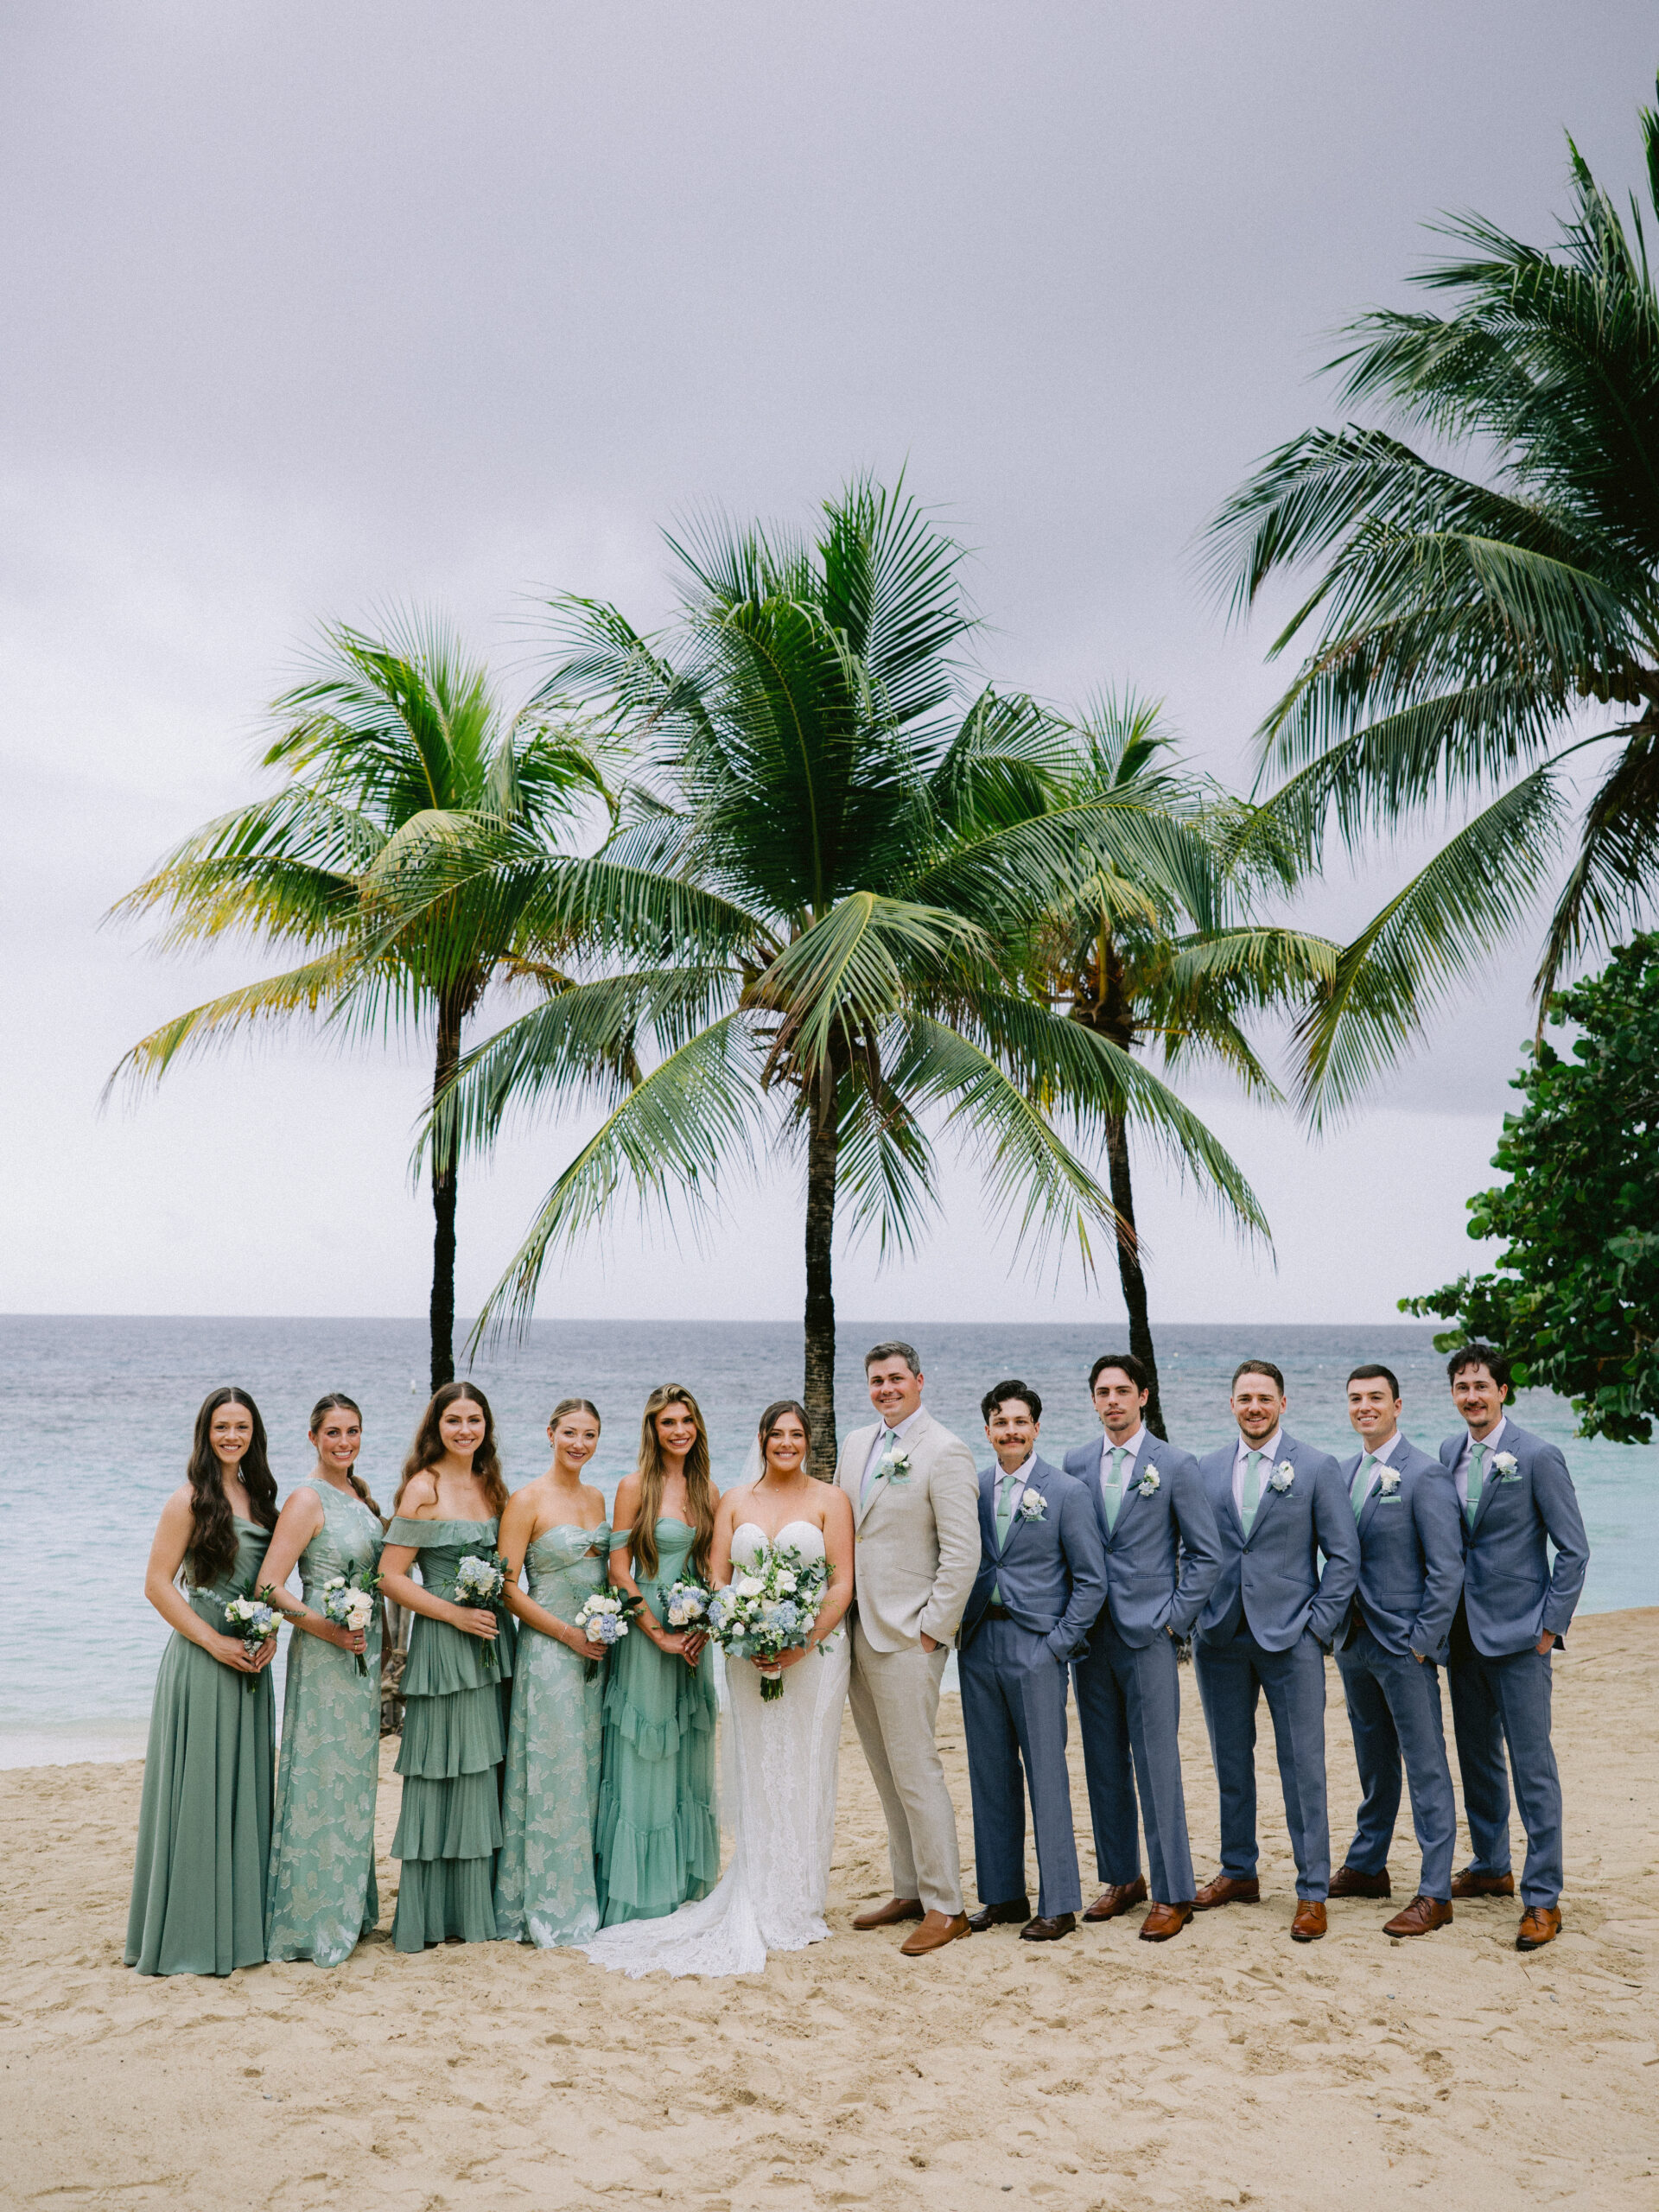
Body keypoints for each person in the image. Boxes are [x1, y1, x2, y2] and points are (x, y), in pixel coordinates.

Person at [582, 1398, 855, 1977]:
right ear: (760, 1438)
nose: (786, 1443)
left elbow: (840, 1582)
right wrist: (740, 1627)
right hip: (745, 1653)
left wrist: (801, 1642)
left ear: (809, 1440)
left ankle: (800, 1898)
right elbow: (717, 1577)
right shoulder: (732, 1499)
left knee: (806, 1768)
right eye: (776, 1434)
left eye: (796, 1434)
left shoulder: (831, 1500)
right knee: (756, 1769)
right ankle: (756, 1889)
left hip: (813, 1654)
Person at [1191, 1359, 1359, 1942]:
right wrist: (1189, 1618)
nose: (1254, 1407)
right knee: (1230, 1763)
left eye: (1264, 1397)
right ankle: (1239, 1870)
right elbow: (1190, 1549)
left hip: (1292, 1639)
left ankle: (1312, 1890)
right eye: (1244, 1398)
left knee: (1303, 1767)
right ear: (1231, 1404)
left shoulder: (1316, 1467)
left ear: (1283, 1404)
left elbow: (1343, 1556)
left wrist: (1319, 1626)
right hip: (1219, 1637)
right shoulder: (1206, 1470)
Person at [1063, 1352, 1221, 1942]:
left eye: (1122, 1391)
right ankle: (1122, 1878)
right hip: (1090, 1638)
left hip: (1150, 1634)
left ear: (1143, 1397)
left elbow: (1205, 1555)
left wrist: (1175, 1622)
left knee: (1158, 1765)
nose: (1112, 1401)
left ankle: (1173, 1890)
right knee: (1103, 1763)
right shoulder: (1076, 1462)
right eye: (1102, 1392)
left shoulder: (1175, 1465)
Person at [1439, 1343, 1590, 1951]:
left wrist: (1549, 1627)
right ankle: (1491, 1864)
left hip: (1523, 1638)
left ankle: (1542, 1898)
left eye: (1481, 1385)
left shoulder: (1537, 1456)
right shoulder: (1448, 1453)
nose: (1471, 1396)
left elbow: (1573, 1550)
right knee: (1476, 1757)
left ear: (1503, 1391)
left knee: (1532, 1767)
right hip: (1463, 1635)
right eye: (1461, 1386)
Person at [125, 1387, 280, 1977]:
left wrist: (271, 1635)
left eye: (241, 1426)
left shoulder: (262, 1500)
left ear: (253, 1434)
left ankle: (240, 1929)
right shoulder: (188, 1500)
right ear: (205, 1432)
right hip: (201, 1658)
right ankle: (188, 1933)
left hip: (251, 1664)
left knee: (242, 1793)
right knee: (197, 1797)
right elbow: (158, 1585)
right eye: (222, 1426)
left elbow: (266, 1585)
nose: (231, 1436)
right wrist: (214, 1642)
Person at [835, 1339, 981, 1956]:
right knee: (885, 1770)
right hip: (856, 1633)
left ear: (920, 1381)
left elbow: (962, 1553)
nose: (886, 1389)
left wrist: (932, 1630)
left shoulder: (945, 1451)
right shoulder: (856, 1444)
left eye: (896, 1378)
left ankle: (947, 1905)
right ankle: (909, 1888)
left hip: (907, 1639)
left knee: (918, 1771)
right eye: (876, 1380)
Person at [958, 1380, 1104, 1942]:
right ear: (988, 1430)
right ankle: (1004, 1896)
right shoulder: (970, 1490)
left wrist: (1058, 1645)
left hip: (1037, 1647)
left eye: (1021, 1422)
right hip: (978, 1648)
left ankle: (1060, 1903)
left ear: (1036, 1428)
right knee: (989, 1775)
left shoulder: (1065, 1492)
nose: (1011, 1431)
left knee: (1046, 1774)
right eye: (1000, 1422)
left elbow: (1092, 1581)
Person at [1326, 1364, 1464, 1937]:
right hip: (1354, 1641)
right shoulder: (1343, 1472)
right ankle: (1367, 1863)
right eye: (1356, 1398)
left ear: (1398, 1405)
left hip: (1403, 1645)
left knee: (1426, 1762)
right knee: (1373, 1760)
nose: (1365, 1407)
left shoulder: (1424, 1475)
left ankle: (1436, 1891)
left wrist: (1422, 1642)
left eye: (1376, 1398)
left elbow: (1447, 1567)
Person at [380, 1382, 516, 1951]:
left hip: (491, 1644)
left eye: (474, 1420)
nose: (465, 1430)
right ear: (436, 1426)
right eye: (454, 1420)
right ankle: (430, 1915)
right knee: (441, 1771)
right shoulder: (423, 1488)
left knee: (485, 1769)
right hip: (443, 1643)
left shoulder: (492, 1486)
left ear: (486, 1426)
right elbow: (388, 1576)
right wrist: (453, 1617)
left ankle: (477, 1907)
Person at [263, 1393, 388, 1967]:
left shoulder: (358, 1496)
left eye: (353, 1431)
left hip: (361, 1652)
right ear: (312, 1437)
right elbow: (270, 1586)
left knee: (355, 1778)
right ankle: (310, 1918)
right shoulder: (306, 1500)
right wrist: (328, 1629)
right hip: (324, 1653)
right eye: (333, 1433)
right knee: (321, 1774)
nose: (345, 1442)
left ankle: (347, 1906)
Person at [593, 1384, 721, 1927]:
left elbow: (716, 1566)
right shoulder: (633, 1487)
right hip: (647, 1638)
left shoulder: (707, 1489)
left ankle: (683, 1882)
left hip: (691, 1637)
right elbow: (618, 1570)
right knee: (646, 1753)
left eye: (686, 1421)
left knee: (686, 1754)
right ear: (653, 1429)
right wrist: (656, 1633)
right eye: (668, 1423)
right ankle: (639, 1892)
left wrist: (709, 1621)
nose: (679, 1432)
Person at [493, 1398, 612, 1948]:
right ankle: (543, 1902)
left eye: (588, 1435)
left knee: (587, 1772)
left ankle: (583, 1890)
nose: (579, 1444)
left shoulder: (596, 1497)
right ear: (550, 1433)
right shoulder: (526, 1501)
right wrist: (567, 1634)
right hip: (548, 1655)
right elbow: (509, 1589)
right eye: (570, 1433)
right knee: (553, 1772)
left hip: (597, 1656)